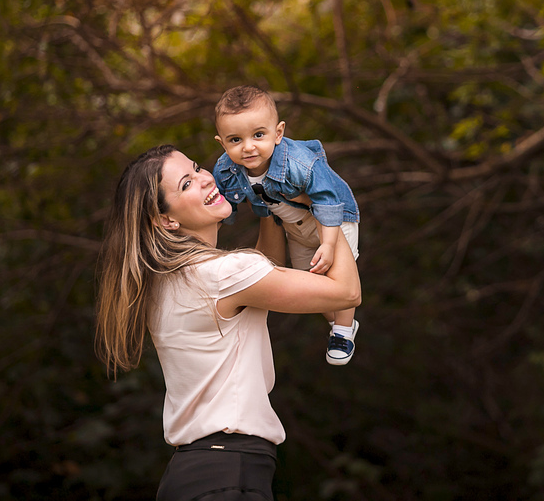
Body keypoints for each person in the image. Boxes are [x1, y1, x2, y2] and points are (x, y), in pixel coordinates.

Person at [94, 144, 361, 501]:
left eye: (197, 168)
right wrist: (323, 201)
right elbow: (345, 293)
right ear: (166, 219)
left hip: (195, 473)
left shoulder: (170, 279)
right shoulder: (220, 275)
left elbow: (262, 267)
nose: (206, 179)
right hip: (226, 473)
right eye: (186, 184)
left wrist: (267, 203)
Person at [212, 85, 363, 365]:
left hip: (330, 221)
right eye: (235, 139)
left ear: (278, 133)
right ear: (222, 143)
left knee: (337, 277)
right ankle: (342, 323)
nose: (248, 146)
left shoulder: (299, 162)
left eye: (259, 135)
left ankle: (342, 330)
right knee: (313, 281)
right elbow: (222, 207)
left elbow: (327, 200)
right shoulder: (225, 170)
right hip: (293, 224)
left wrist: (329, 244)